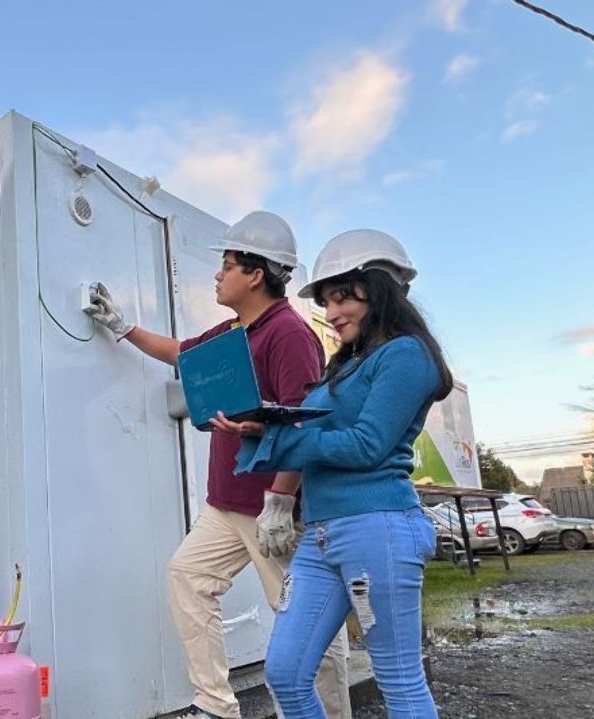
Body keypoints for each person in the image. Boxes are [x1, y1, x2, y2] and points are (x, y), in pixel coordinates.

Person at [85, 211, 351, 719]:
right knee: (188, 577)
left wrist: (280, 501)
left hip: (273, 510)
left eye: (227, 264)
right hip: (226, 505)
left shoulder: (288, 334)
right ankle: (217, 707)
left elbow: (306, 425)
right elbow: (182, 354)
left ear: (256, 273)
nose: (217, 273)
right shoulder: (235, 330)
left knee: (305, 622)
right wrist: (121, 326)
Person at [221, 229, 452, 719]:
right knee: (284, 672)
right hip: (321, 536)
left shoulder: (406, 354)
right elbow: (313, 433)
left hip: (377, 528)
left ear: (381, 289)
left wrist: (277, 438)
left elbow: (367, 444)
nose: (332, 312)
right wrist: (262, 430)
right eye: (327, 301)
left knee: (399, 681)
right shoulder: (343, 365)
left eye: (343, 296)